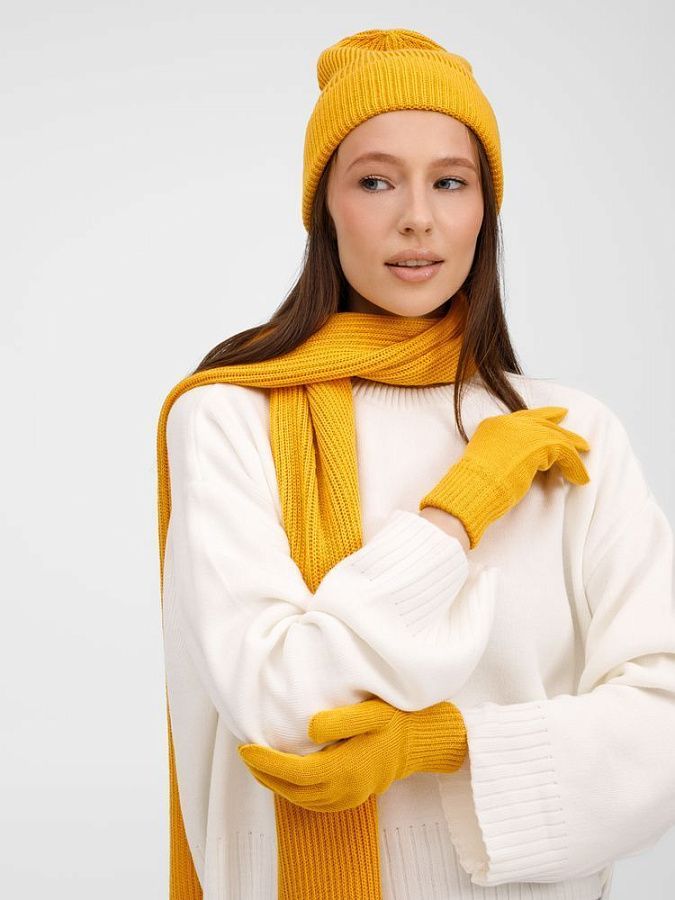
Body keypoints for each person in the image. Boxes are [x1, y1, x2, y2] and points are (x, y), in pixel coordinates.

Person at [156, 27, 675, 900]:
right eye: (374, 180)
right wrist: (456, 512)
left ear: (484, 210)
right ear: (324, 207)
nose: (417, 217)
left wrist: (442, 745)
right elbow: (283, 706)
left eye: (449, 181)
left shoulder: (570, 431)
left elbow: (662, 721)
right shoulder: (230, 416)